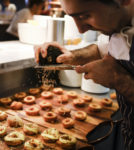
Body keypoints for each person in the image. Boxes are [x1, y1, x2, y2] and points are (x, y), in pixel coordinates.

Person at [35, 0, 134, 150]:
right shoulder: (117, 23)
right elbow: (101, 48)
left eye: (85, 16)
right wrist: (71, 55)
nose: (80, 30)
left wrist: (120, 80)